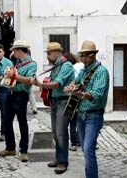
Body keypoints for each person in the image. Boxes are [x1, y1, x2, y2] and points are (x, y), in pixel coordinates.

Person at [64, 40, 109, 178]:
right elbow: (76, 82)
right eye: (81, 55)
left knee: (89, 149)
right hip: (81, 114)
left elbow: (97, 95)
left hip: (93, 115)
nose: (82, 59)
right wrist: (71, 87)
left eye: (84, 56)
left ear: (93, 55)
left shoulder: (101, 71)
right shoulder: (84, 70)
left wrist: (81, 94)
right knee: (85, 149)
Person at [33, 42, 75, 174]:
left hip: (63, 101)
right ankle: (59, 158)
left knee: (61, 133)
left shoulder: (66, 65)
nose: (48, 56)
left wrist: (41, 84)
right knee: (55, 133)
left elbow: (57, 84)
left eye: (49, 53)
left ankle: (63, 162)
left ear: (57, 53)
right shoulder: (56, 66)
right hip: (55, 102)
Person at [0, 40, 37, 162]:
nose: (13, 53)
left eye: (14, 50)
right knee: (7, 121)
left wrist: (14, 76)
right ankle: (10, 148)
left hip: (21, 95)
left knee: (22, 122)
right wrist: (8, 78)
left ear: (19, 50)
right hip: (11, 92)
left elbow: (30, 80)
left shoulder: (32, 64)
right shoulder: (17, 62)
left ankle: (23, 150)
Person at [63, 52, 83, 151]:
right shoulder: (85, 67)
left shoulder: (73, 67)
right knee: (81, 120)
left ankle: (74, 143)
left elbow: (74, 81)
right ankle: (81, 140)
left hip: (73, 96)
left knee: (72, 121)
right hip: (83, 96)